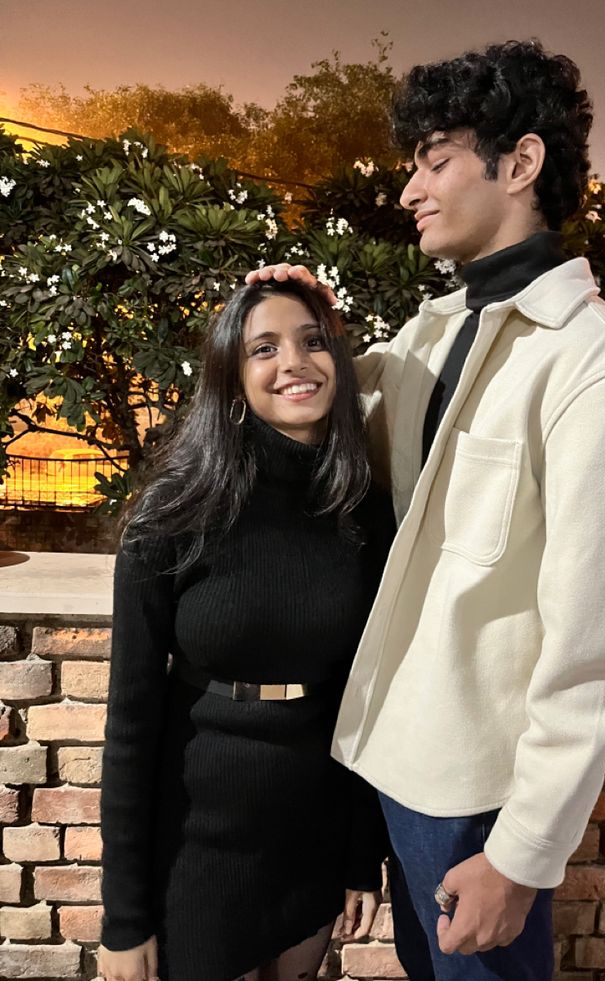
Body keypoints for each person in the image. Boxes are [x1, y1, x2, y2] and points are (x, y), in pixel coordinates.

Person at [246, 39, 605, 981]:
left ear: (520, 164)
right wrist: (300, 325)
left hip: (483, 803)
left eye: (436, 159)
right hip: (392, 759)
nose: (410, 188)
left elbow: (599, 653)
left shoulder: (598, 374)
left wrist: (523, 854)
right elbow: (324, 411)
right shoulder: (437, 327)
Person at [97, 280, 393, 981]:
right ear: (232, 377)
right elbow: (130, 724)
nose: (294, 361)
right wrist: (123, 917)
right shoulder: (175, 510)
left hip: (309, 830)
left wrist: (360, 855)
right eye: (265, 347)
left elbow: (367, 691)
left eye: (313, 341)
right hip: (196, 843)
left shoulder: (363, 509)